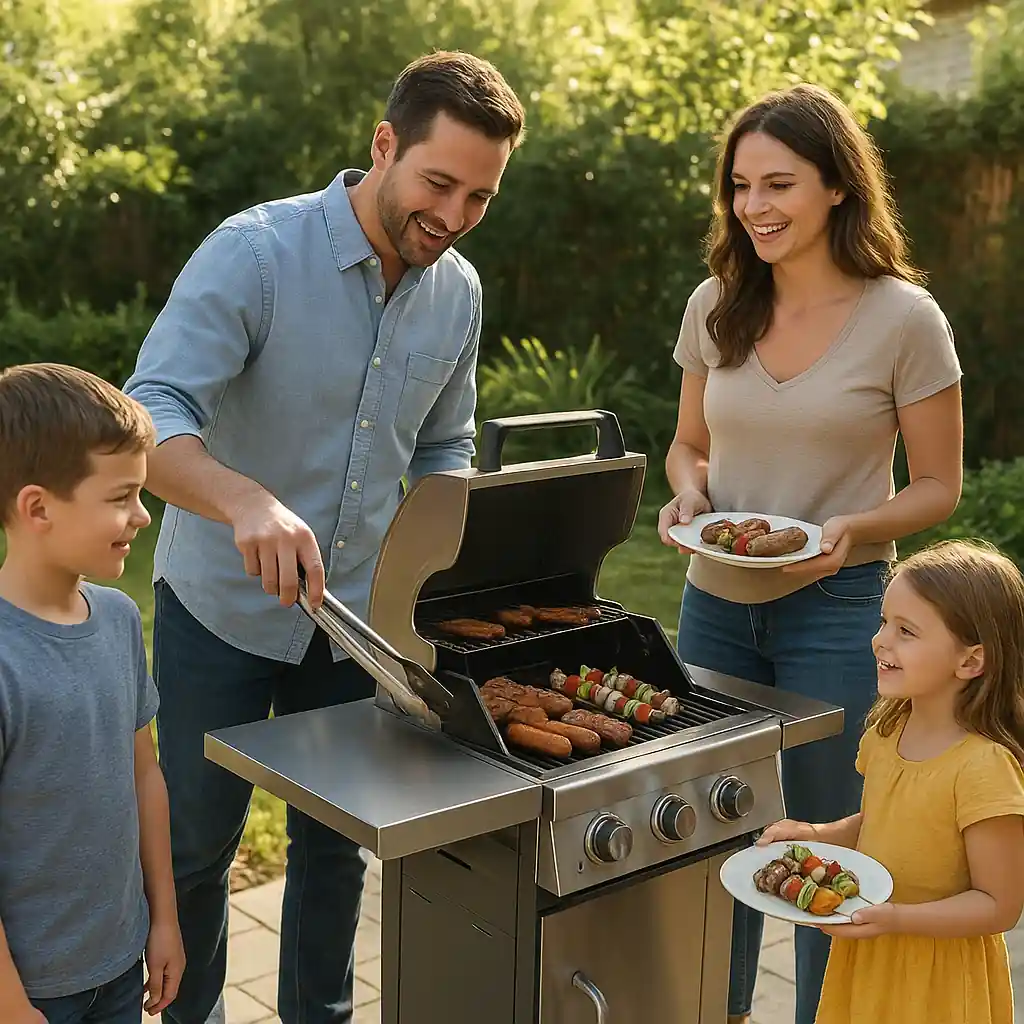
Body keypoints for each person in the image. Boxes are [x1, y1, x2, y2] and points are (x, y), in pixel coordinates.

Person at [122, 49, 526, 1024]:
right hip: (218, 605)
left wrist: (450, 558)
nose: (455, 214)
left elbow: (445, 444)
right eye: (438, 183)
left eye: (480, 196)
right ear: (383, 144)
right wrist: (244, 500)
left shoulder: (459, 291)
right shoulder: (254, 254)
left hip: (352, 617)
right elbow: (147, 419)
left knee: (336, 842)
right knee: (198, 845)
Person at [656, 83, 964, 1024]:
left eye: (779, 184)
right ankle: (726, 1007)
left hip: (839, 612)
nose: (755, 206)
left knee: (829, 845)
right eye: (741, 186)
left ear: (837, 186)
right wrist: (690, 489)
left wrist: (854, 529)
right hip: (714, 600)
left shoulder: (905, 319)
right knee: (720, 831)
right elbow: (689, 443)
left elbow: (938, 486)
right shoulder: (718, 302)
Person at [758, 539, 1024, 1024]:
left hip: (935, 975)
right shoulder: (889, 727)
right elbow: (884, 821)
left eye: (906, 631)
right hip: (872, 952)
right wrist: (817, 834)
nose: (881, 640)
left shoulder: (984, 769)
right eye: (884, 622)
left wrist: (897, 919)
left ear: (970, 662)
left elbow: (999, 905)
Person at [0, 363, 184, 1024]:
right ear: (38, 508)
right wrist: (12, 1007)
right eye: (121, 497)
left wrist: (163, 919)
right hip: (30, 993)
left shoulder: (117, 618)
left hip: (122, 963)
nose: (142, 516)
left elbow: (144, 776)